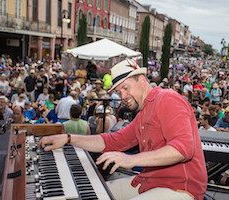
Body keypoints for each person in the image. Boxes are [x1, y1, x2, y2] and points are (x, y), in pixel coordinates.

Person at [39, 59, 207, 200]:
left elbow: (183, 149)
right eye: (119, 92)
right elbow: (111, 141)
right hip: (152, 180)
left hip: (181, 188)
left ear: (141, 80)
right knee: (95, 193)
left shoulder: (167, 99)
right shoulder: (143, 113)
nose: (123, 96)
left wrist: (130, 159)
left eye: (126, 88)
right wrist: (68, 138)